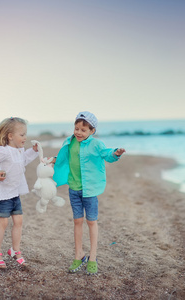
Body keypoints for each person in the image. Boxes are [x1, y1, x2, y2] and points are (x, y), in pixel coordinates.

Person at [53, 111, 126, 275]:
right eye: (76, 128)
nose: (78, 132)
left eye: (83, 130)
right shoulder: (70, 142)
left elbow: (107, 154)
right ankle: (79, 254)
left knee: (91, 222)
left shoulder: (96, 144)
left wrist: (116, 153)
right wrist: (51, 160)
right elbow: (63, 158)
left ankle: (93, 257)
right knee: (77, 221)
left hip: (90, 190)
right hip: (74, 189)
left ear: (92, 131)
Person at [0, 117, 39, 269]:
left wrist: (33, 152)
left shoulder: (19, 151)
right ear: (10, 136)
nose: (25, 138)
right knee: (4, 223)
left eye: (25, 134)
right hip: (2, 194)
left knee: (18, 222)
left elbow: (24, 160)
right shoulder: (4, 151)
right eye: (22, 134)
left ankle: (15, 250)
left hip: (14, 194)